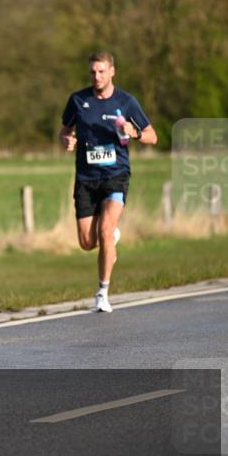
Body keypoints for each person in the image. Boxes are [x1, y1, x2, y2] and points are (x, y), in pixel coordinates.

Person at [58, 51, 157, 313]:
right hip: (86, 178)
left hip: (116, 175)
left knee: (104, 230)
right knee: (87, 243)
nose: (96, 76)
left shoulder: (126, 102)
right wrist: (67, 140)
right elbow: (65, 130)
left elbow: (152, 136)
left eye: (101, 71)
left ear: (112, 71)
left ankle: (102, 293)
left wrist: (133, 132)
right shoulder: (78, 100)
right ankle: (110, 237)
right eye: (92, 71)